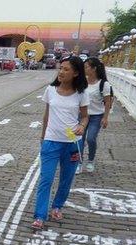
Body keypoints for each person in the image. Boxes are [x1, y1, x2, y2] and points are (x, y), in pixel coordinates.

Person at [32, 56, 89, 230]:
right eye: (61, 68)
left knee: (66, 179)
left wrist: (81, 125)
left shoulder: (82, 93)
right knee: (46, 179)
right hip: (51, 141)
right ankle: (40, 216)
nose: (61, 72)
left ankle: (57, 206)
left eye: (66, 69)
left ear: (76, 73)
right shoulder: (50, 90)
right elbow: (46, 115)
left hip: (72, 143)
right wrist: (42, 138)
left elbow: (86, 117)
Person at [77, 57, 111, 174]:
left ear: (94, 68)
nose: (84, 69)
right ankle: (79, 162)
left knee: (91, 138)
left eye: (86, 67)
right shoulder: (83, 82)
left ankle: (90, 160)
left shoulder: (103, 84)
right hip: (82, 115)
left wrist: (105, 118)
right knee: (79, 139)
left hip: (96, 116)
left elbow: (107, 102)